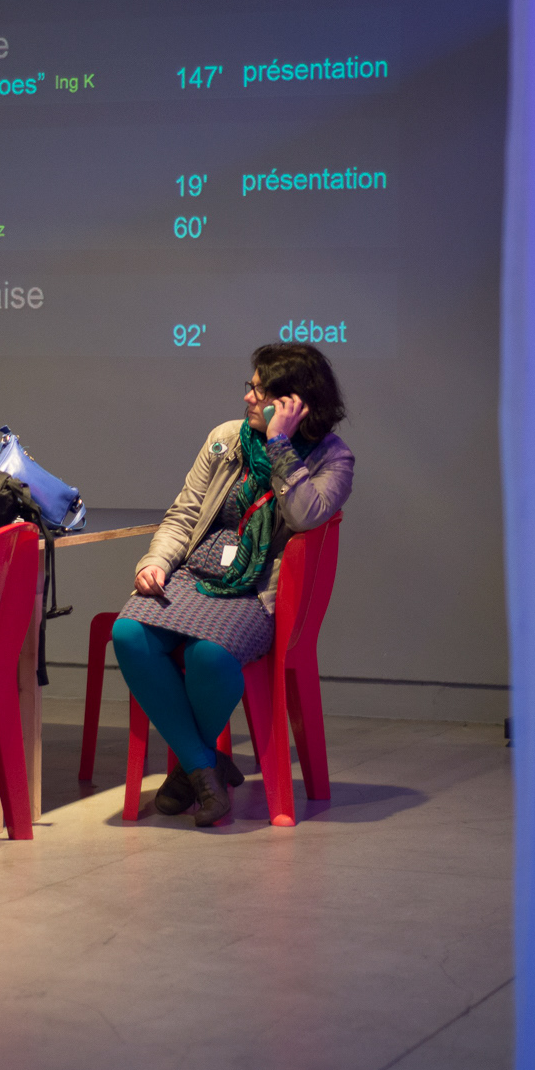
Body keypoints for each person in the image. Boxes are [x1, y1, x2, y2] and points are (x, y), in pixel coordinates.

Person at [112, 342, 354, 825]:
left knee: (210, 656)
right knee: (129, 633)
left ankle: (190, 770)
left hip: (256, 589)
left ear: (294, 402)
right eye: (251, 386)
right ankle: (205, 764)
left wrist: (280, 446)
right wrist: (155, 562)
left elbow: (305, 516)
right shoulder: (226, 438)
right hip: (196, 575)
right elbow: (184, 514)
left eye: (260, 391)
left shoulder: (333, 460)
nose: (247, 397)